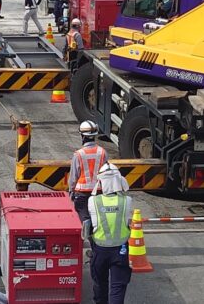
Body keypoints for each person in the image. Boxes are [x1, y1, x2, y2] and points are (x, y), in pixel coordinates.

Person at [88, 163, 134, 304]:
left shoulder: (93, 201)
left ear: (101, 181)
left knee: (100, 285)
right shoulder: (127, 201)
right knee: (117, 288)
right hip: (121, 250)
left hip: (100, 250)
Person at [68, 120, 107, 228]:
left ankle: (86, 236)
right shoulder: (102, 152)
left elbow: (73, 177)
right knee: (98, 219)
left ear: (82, 136)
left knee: (84, 217)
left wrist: (71, 191)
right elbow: (106, 173)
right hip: (99, 192)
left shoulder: (79, 154)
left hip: (82, 193)